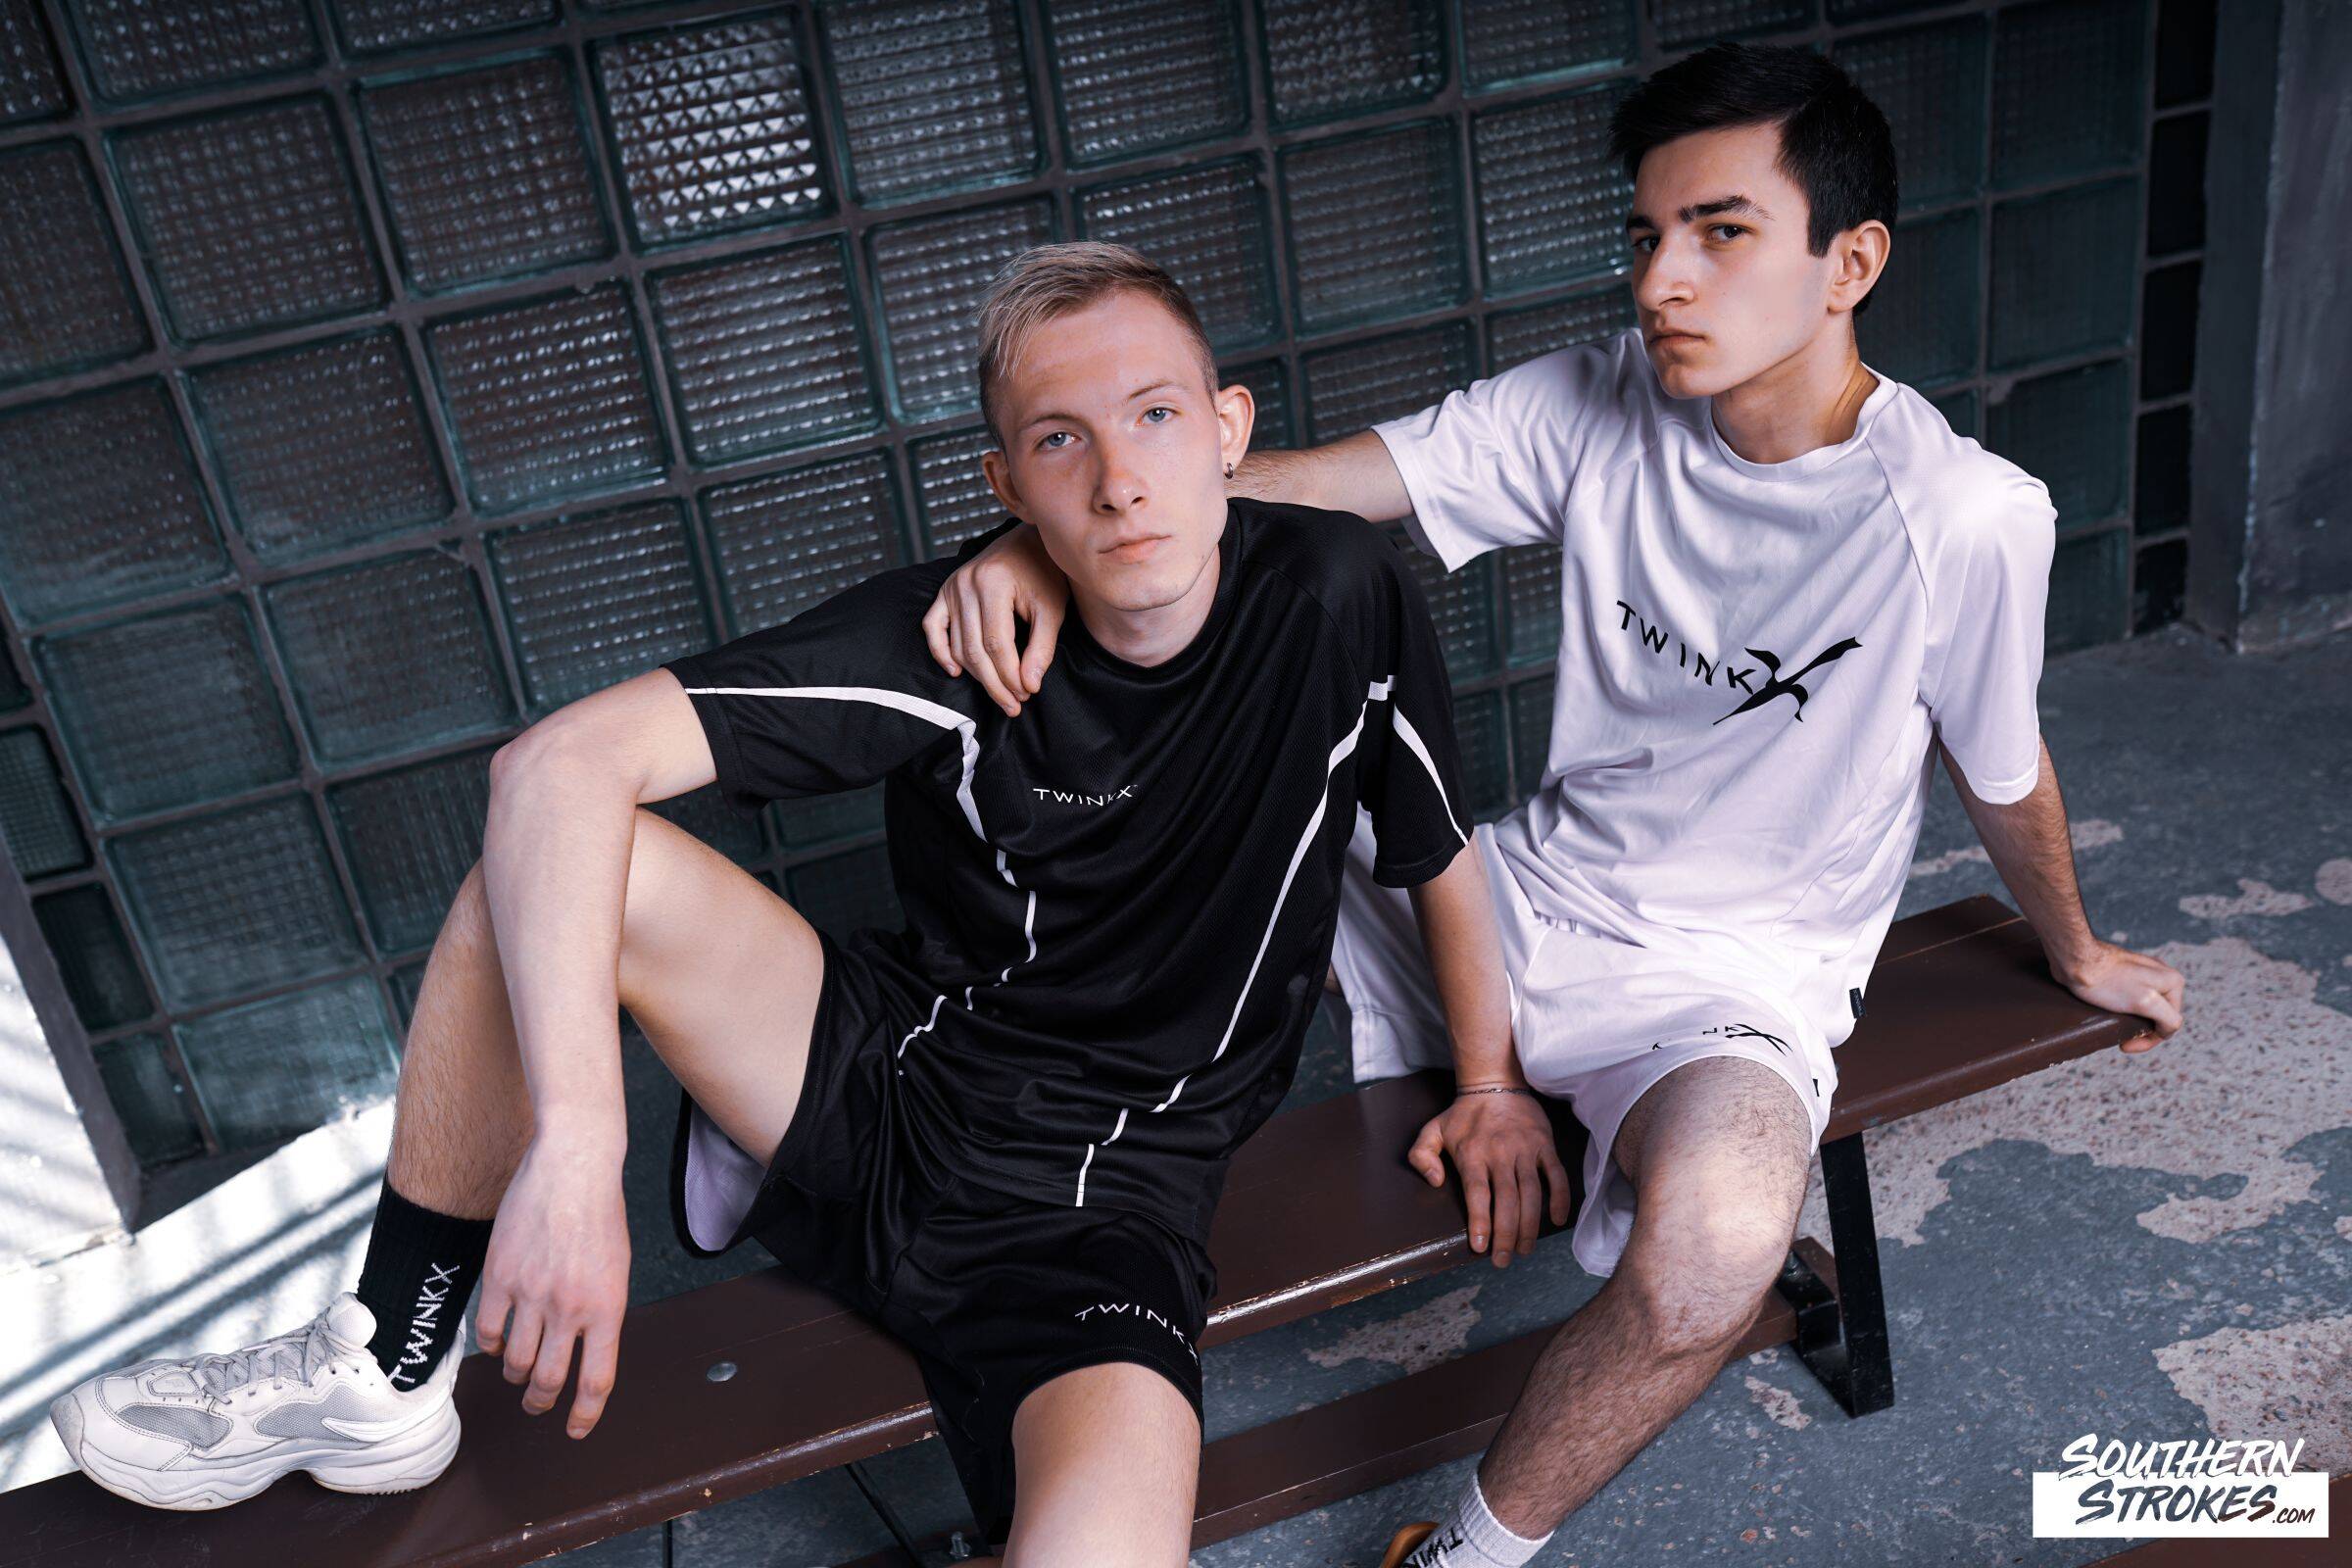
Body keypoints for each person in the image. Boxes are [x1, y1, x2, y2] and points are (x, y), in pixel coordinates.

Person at [47, 241, 1562, 1565]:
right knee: (541, 864)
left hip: (1105, 1214)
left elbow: (1432, 844)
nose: (1119, 476)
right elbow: (551, 770)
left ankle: (744, 1153)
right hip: (885, 1082)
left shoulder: (1338, 595)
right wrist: (577, 1145)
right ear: (1006, 486)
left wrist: (1490, 1082)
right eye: (1061, 439)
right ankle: (387, 1360)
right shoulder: (955, 643)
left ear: (1227, 427)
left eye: (1156, 415)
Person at [919, 44, 2189, 1568]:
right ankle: (967, 1129)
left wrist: (2077, 947)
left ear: (1849, 263)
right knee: (1237, 656)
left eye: (1720, 233)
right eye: (1646, 234)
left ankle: (1461, 1555)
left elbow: (2003, 763)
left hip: (1724, 984)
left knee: (1719, 1247)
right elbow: (1302, 488)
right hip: (1500, 904)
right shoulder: (1594, 400)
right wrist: (1036, 536)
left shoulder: (1964, 519)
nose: (1661, 280)